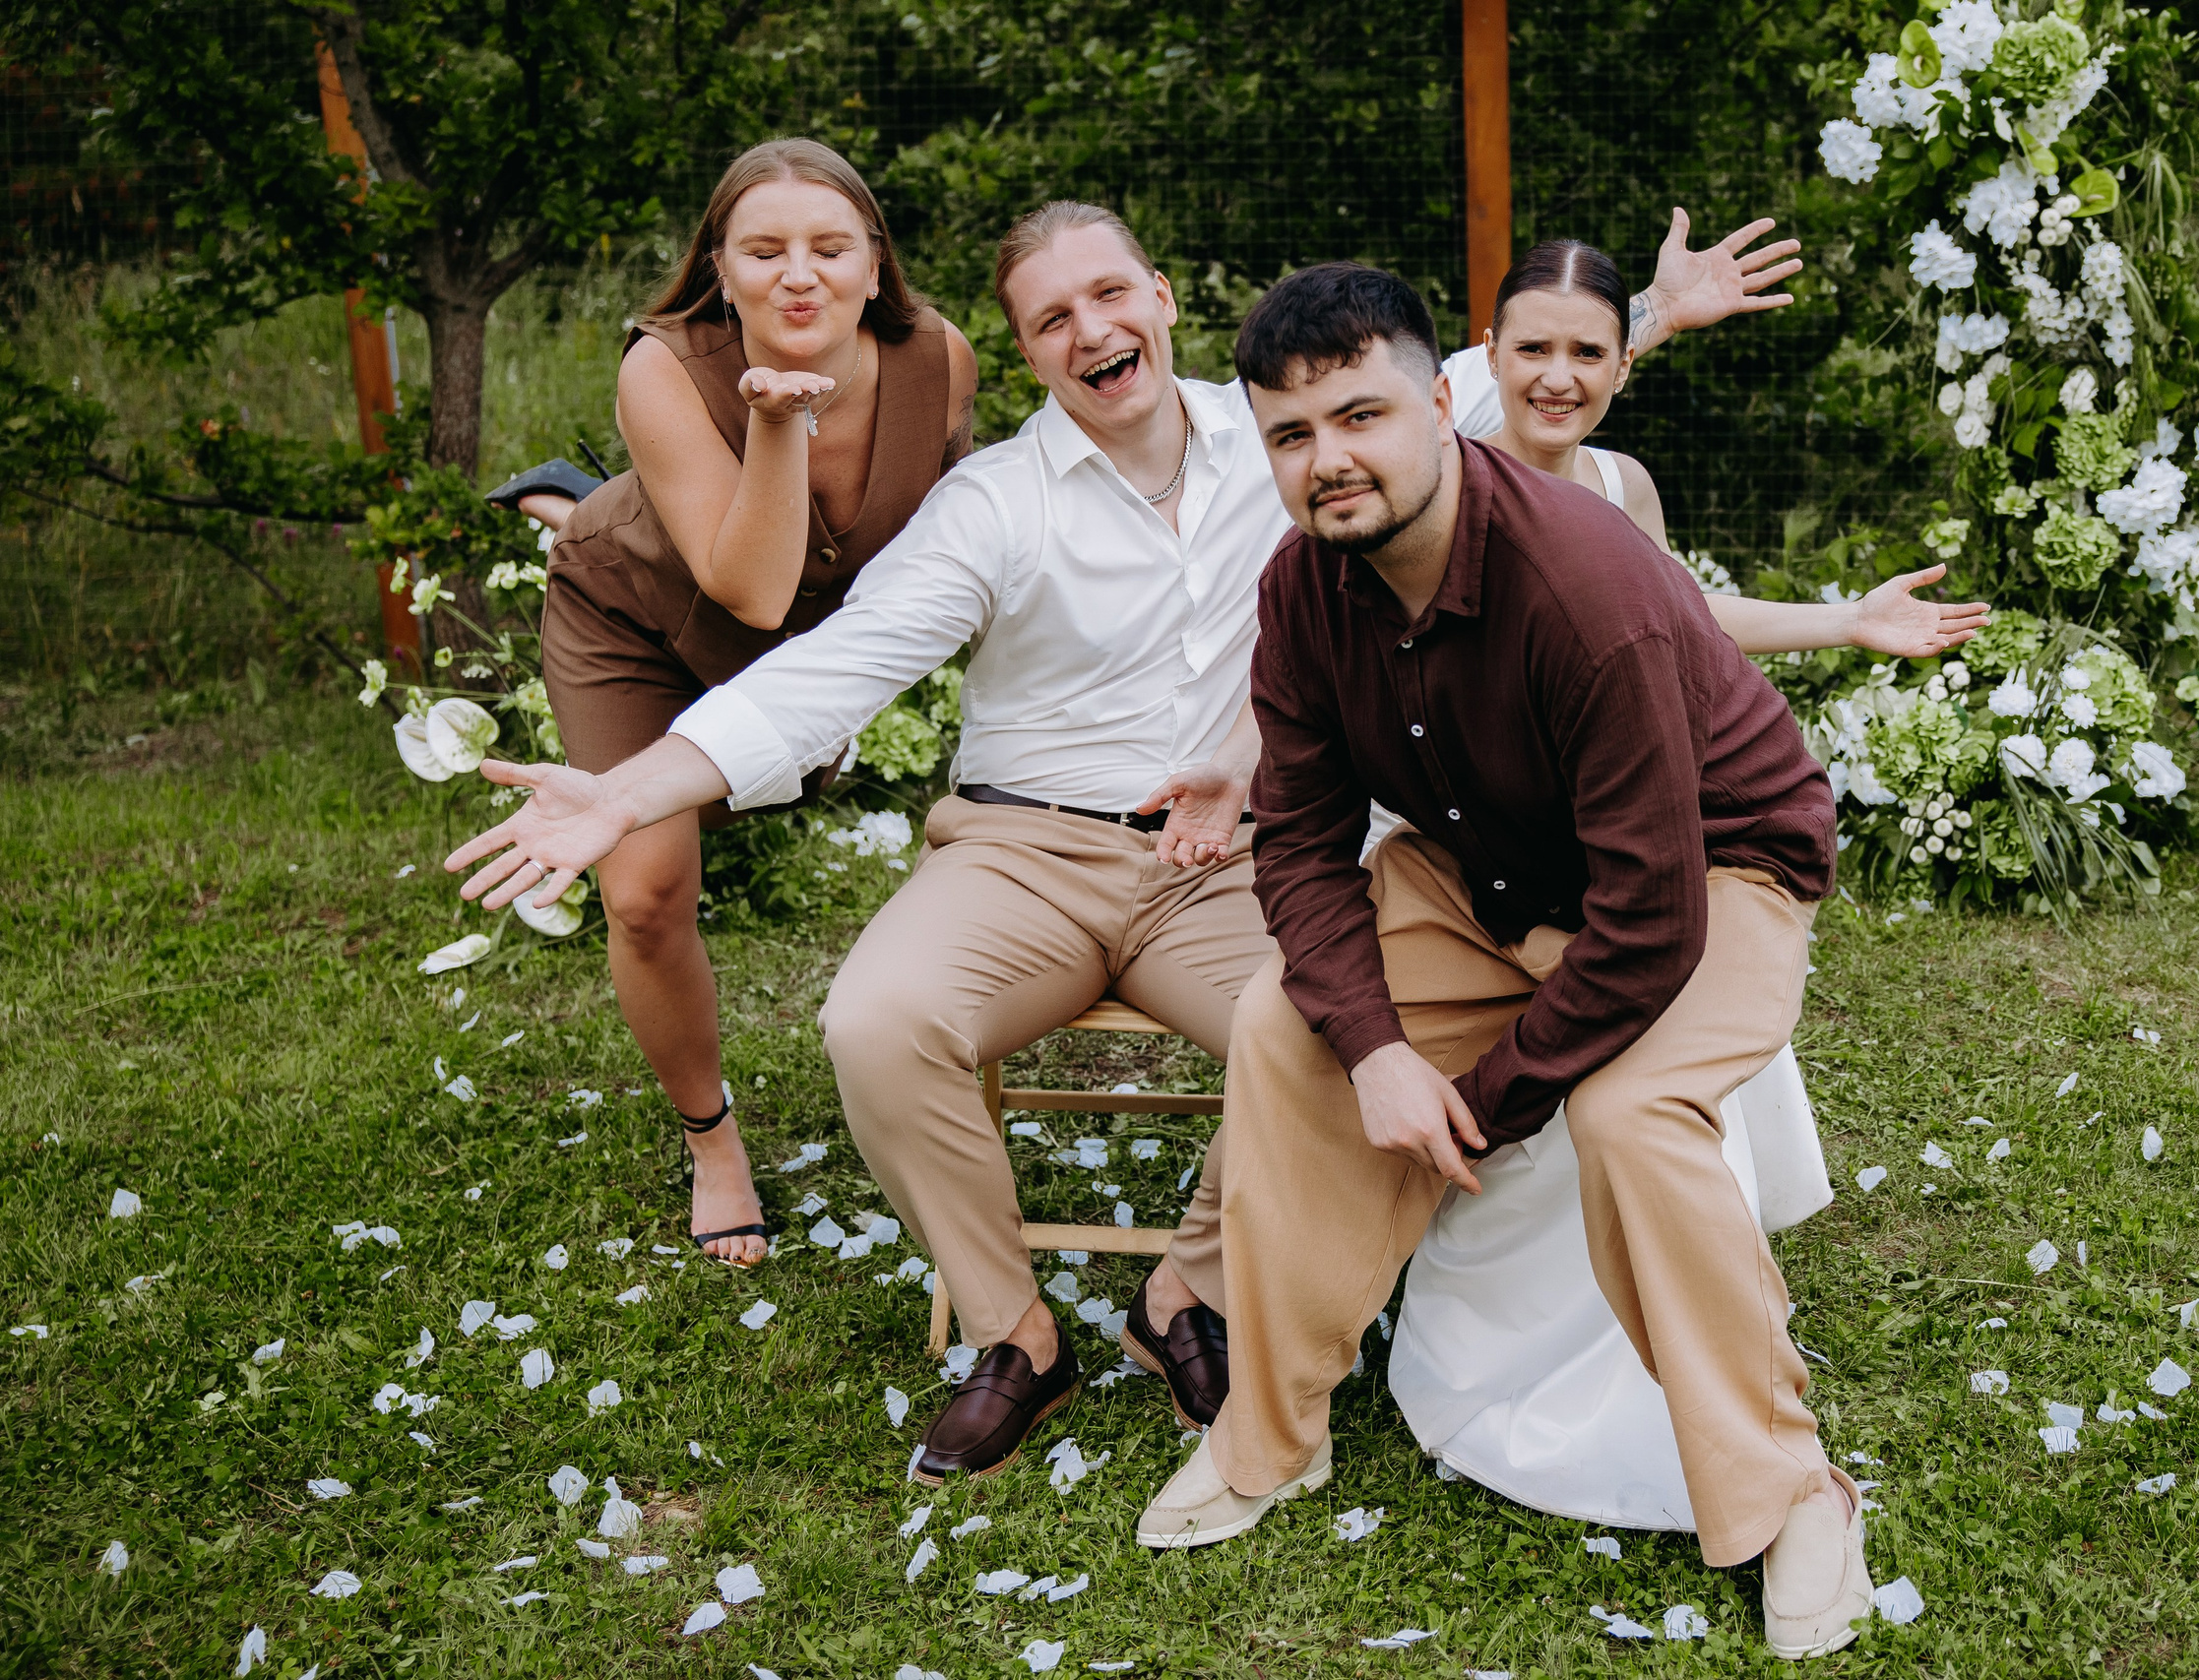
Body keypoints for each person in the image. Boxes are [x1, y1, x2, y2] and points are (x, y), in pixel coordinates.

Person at [437, 200, 1807, 1484]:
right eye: (1050, 317)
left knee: (1334, 1026)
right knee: (875, 1019)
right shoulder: (991, 504)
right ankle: (1012, 1330)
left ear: (1159, 299)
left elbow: (1471, 380)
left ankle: (1187, 1288)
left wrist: (1661, 315)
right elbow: (835, 668)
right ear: (1027, 353)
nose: (1091, 330)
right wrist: (635, 791)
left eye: (1110, 292)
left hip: (1226, 863)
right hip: (1017, 852)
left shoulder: (1286, 435)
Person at [1134, 264, 1873, 1662]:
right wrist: (1378, 1048)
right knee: (1279, 1024)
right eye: (1290, 435)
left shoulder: (1587, 588)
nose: (1327, 459)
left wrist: (1484, 1092)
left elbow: (1651, 916)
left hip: (1712, 868)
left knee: (1631, 1115)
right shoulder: (1302, 585)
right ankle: (1274, 1433)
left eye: (1359, 415)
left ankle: (1793, 1491)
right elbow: (1298, 839)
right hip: (1490, 868)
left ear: (1439, 403)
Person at [1398, 236, 1986, 1530]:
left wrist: (1846, 619)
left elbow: (1685, 614)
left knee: (1648, 1029)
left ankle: (1685, 1318)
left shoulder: (1621, 484)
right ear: (1481, 361)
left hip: (1633, 828)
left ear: (1618, 369)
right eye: (1530, 350)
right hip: (1492, 838)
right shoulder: (1431, 476)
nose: (1557, 375)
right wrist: (1667, 308)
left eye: (1588, 353)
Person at [516, 139, 976, 1267]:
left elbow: (945, 549)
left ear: (877, 266)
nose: (798, 275)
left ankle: (574, 504)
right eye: (763, 250)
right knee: (645, 888)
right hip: (635, 622)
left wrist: (868, 677)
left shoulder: (940, 361)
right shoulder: (663, 368)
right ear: (720, 269)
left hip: (792, 657)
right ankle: (711, 1138)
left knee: (745, 796)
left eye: (831, 247)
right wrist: (776, 420)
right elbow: (754, 589)